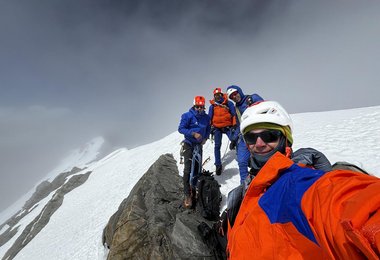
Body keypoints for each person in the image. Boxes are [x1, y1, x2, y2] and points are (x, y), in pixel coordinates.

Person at [226, 100, 380, 259]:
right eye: (251, 137)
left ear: (286, 139)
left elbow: (345, 204)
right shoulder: (245, 191)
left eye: (269, 135)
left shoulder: (296, 182)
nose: (259, 144)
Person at [226, 85, 264, 184]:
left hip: (259, 133)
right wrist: (234, 139)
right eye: (231, 97)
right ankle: (245, 185)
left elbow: (266, 110)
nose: (234, 97)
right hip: (245, 136)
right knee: (242, 161)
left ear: (239, 91)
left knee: (263, 158)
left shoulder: (253, 98)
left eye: (235, 93)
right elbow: (239, 125)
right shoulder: (236, 108)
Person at [178, 96, 211, 209]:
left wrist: (205, 138)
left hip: (199, 144)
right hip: (189, 143)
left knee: (197, 168)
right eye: (197, 107)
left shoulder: (206, 118)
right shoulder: (187, 116)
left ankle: (195, 188)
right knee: (188, 169)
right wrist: (193, 134)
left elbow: (208, 128)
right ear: (194, 105)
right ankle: (187, 194)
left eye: (201, 107)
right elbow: (181, 129)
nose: (199, 109)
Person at [208, 87, 237, 175]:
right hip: (217, 128)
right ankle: (218, 165)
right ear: (214, 96)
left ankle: (241, 155)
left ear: (221, 94)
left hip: (227, 126)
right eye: (216, 95)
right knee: (217, 146)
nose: (217, 97)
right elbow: (209, 118)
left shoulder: (228, 103)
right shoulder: (212, 106)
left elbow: (234, 114)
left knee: (234, 139)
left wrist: (234, 125)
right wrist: (210, 128)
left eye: (219, 95)